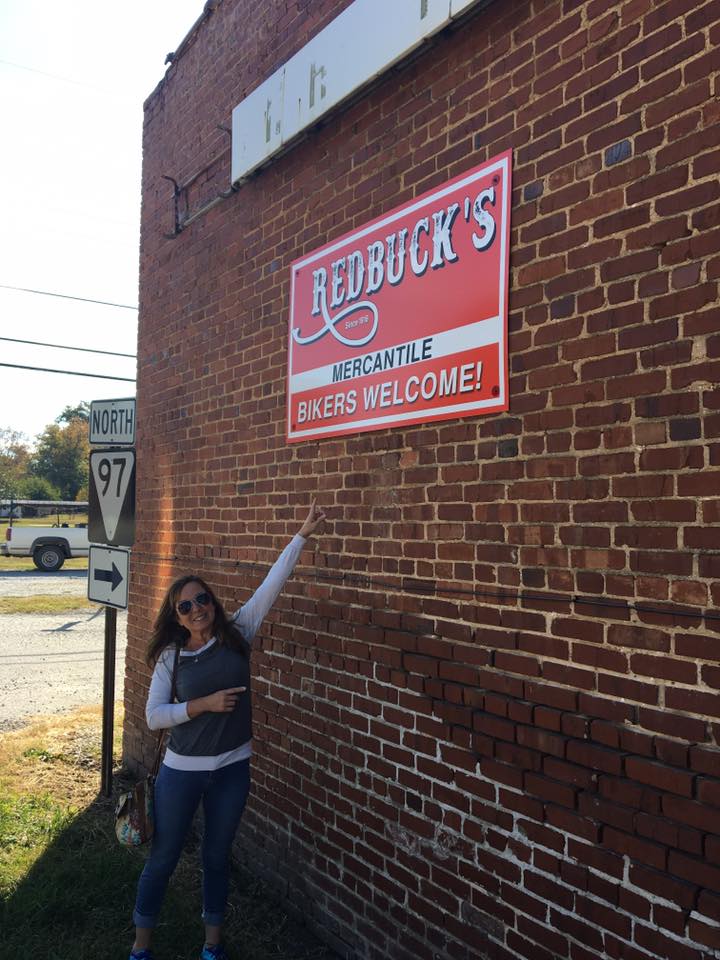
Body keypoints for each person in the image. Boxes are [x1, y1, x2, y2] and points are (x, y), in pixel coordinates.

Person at [129, 500, 327, 960]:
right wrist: (201, 706)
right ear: (176, 617)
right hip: (182, 774)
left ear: (212, 603)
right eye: (186, 606)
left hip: (234, 769)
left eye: (203, 599)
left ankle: (212, 945)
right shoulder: (171, 657)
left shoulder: (240, 630)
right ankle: (141, 946)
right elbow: (155, 716)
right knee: (164, 858)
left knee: (218, 858)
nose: (197, 608)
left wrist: (301, 535)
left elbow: (270, 585)